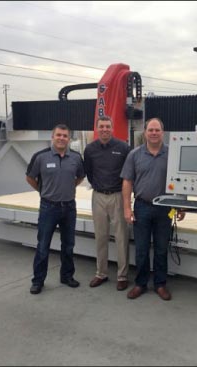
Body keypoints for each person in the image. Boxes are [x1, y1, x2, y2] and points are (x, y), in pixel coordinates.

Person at [120, 117, 185, 301]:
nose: (154, 133)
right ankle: (140, 284)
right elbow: (127, 181)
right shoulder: (134, 155)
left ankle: (160, 284)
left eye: (157, 130)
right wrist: (127, 207)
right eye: (151, 130)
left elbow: (181, 181)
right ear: (145, 132)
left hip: (165, 209)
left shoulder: (172, 155)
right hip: (142, 207)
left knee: (161, 248)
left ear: (162, 133)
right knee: (141, 249)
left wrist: (181, 205)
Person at [26, 124, 85, 295]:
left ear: (69, 138)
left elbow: (80, 176)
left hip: (69, 207)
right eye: (58, 135)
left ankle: (66, 276)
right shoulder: (40, 157)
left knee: (68, 245)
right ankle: (38, 281)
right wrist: (43, 191)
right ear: (53, 137)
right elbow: (30, 177)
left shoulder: (75, 157)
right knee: (43, 246)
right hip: (48, 207)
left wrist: (68, 187)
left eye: (65, 136)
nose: (61, 138)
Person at [84, 116, 131, 291]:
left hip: (118, 196)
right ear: (97, 129)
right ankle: (101, 273)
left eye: (107, 126)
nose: (104, 129)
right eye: (101, 126)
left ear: (112, 129)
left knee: (121, 237)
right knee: (100, 236)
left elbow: (128, 173)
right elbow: (88, 172)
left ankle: (122, 275)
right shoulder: (90, 150)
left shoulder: (123, 148)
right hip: (98, 196)